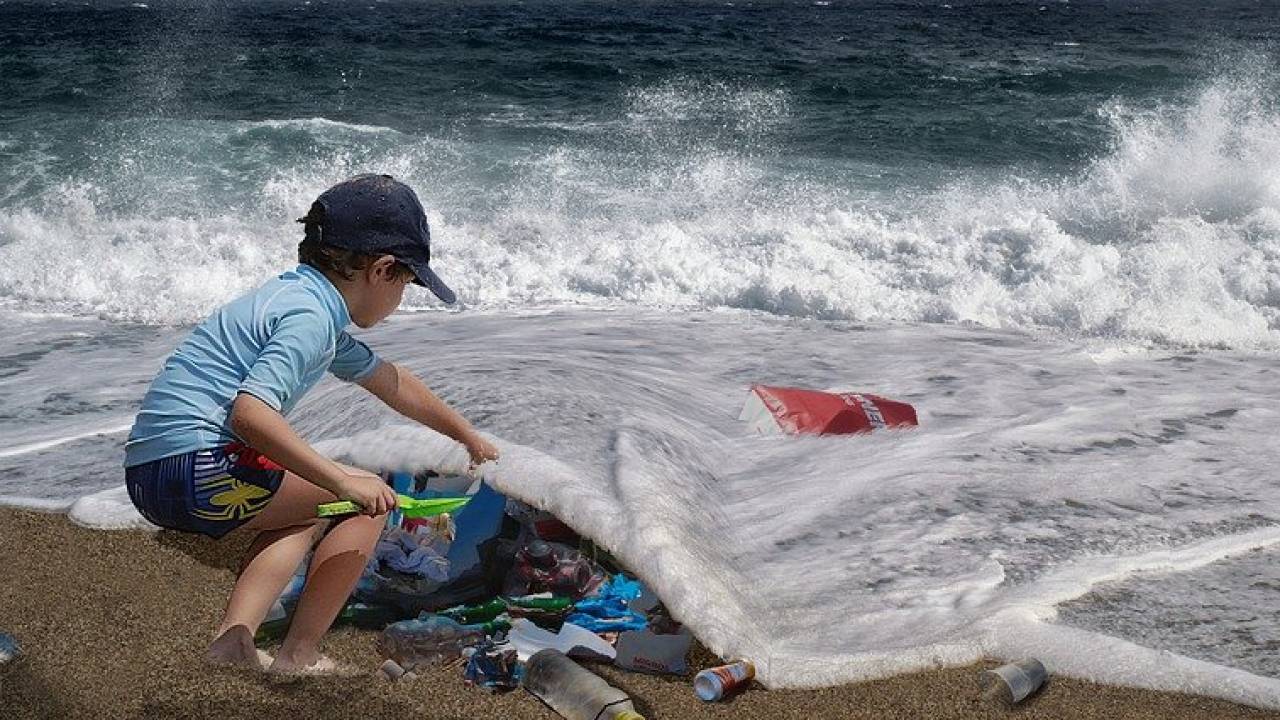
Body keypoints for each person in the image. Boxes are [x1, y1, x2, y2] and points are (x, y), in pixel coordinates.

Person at [122, 174, 499, 674]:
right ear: (382, 269)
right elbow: (250, 414)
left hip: (151, 476)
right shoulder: (311, 320)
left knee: (303, 512)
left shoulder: (294, 300)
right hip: (204, 469)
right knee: (367, 499)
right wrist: (342, 478)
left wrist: (463, 433)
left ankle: (233, 643)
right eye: (407, 284)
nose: (402, 298)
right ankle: (298, 654)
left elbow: (391, 382)